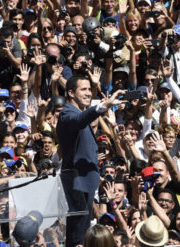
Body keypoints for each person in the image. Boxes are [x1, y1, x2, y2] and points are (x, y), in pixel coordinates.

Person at [56, 76, 125, 246]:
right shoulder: (67, 113)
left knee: (83, 231)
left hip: (85, 183)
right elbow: (80, 121)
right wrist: (104, 105)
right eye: (83, 89)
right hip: (76, 183)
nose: (88, 93)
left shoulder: (79, 113)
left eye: (89, 89)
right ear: (71, 93)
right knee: (77, 236)